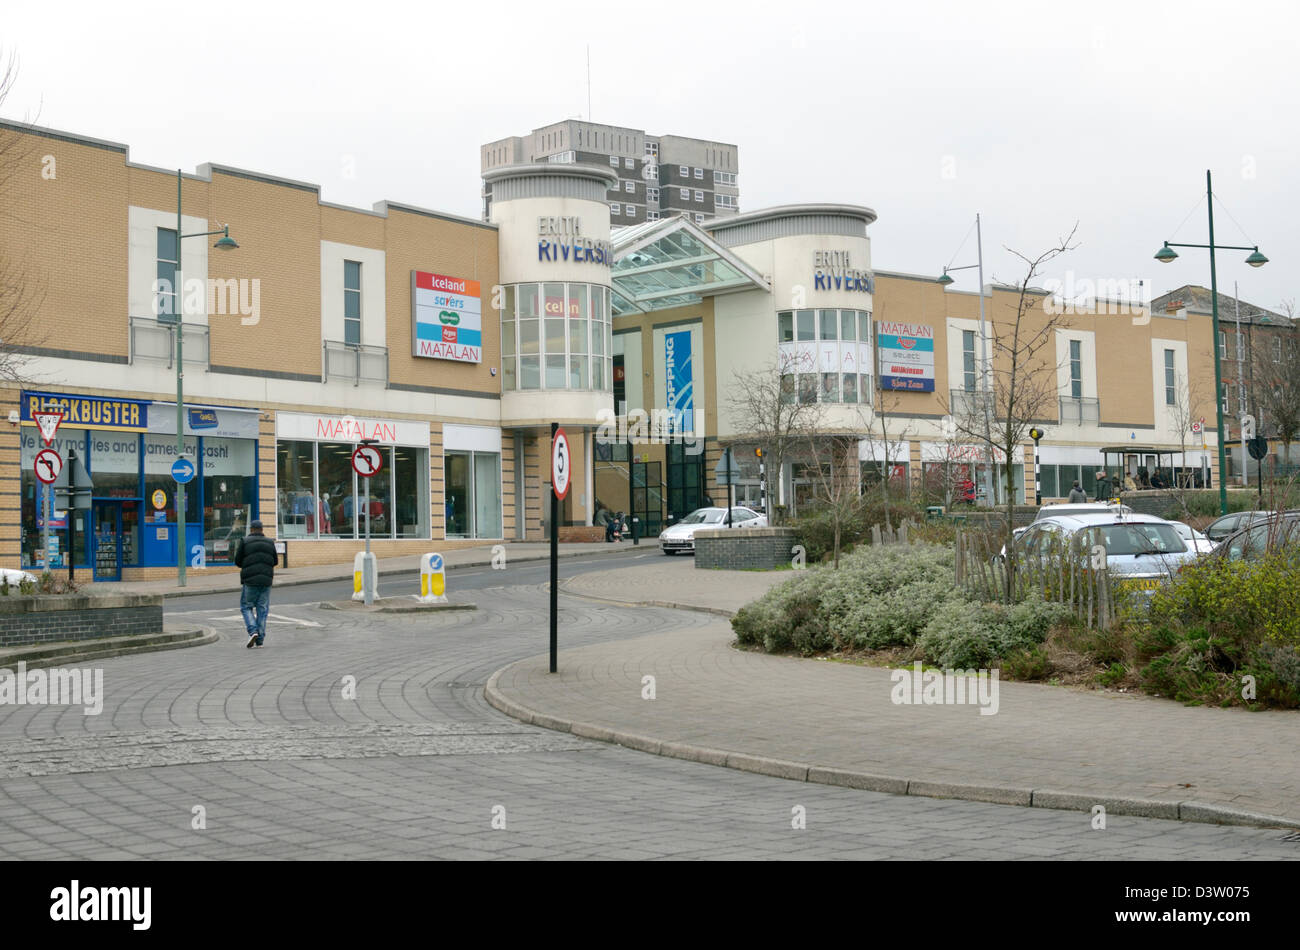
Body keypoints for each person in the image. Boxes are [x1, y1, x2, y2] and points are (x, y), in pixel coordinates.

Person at [235, 519, 277, 649]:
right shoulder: (270, 542)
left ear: (251, 529)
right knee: (262, 609)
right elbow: (275, 561)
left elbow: (238, 561)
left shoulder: (245, 541)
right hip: (266, 580)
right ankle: (260, 640)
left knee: (246, 607)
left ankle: (253, 631)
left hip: (250, 580)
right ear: (262, 529)